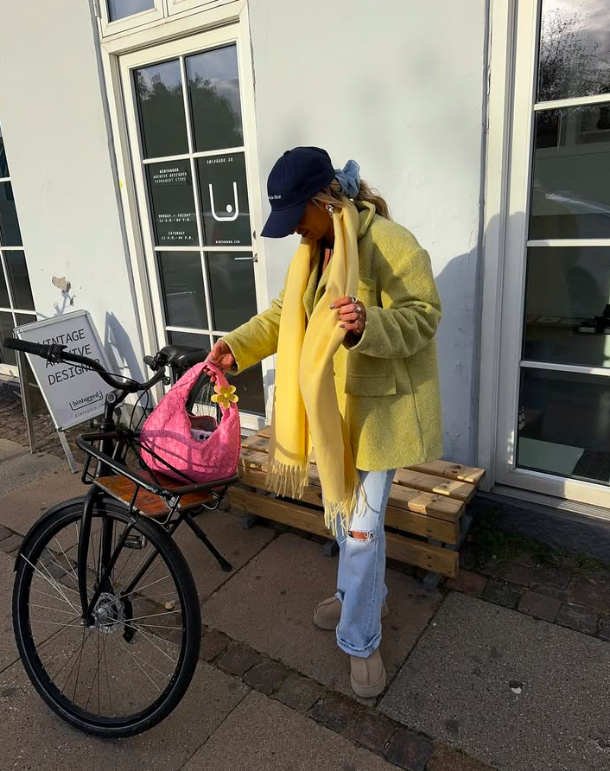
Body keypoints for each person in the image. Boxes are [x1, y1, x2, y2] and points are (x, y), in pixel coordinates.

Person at [208, 147, 442, 698]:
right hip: (332, 414)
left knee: (360, 531)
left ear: (326, 199)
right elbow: (282, 316)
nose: (294, 230)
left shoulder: (390, 242)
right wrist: (235, 348)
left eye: (297, 216)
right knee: (345, 520)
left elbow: (425, 316)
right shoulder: (312, 252)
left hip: (380, 414)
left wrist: (367, 325)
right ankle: (361, 595)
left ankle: (361, 641)